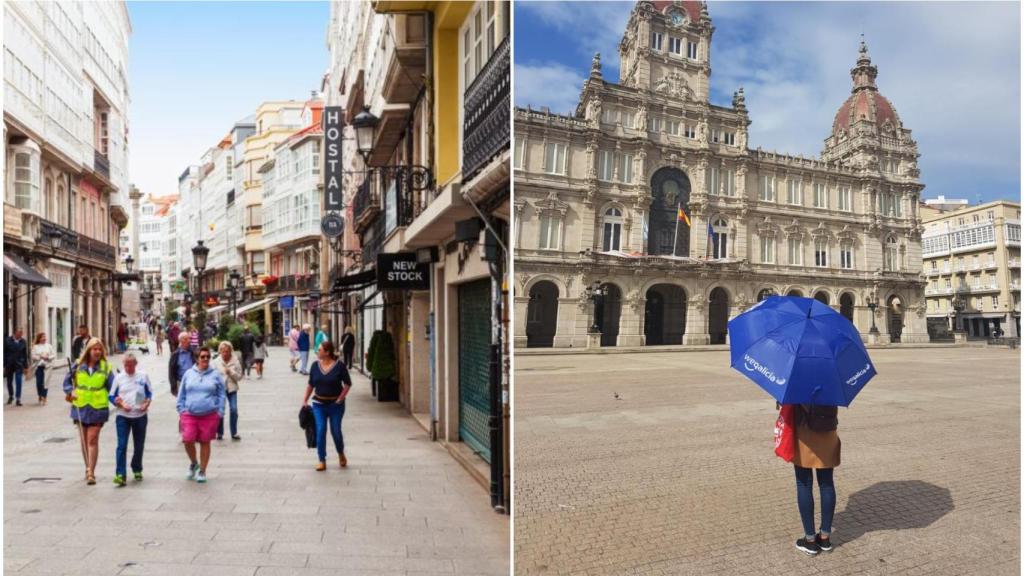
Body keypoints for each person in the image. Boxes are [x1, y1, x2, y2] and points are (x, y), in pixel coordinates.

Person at [790, 403, 841, 556]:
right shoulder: (832, 378)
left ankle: (810, 540)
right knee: (827, 484)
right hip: (828, 430)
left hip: (803, 432)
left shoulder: (797, 379)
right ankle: (825, 537)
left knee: (804, 483)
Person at [62, 338, 114, 485]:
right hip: (81, 406)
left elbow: (113, 387)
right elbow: (66, 383)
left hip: (98, 408)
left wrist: (120, 400)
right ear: (89, 350)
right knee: (84, 441)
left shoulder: (106, 367)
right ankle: (87, 468)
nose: (97, 352)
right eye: (94, 349)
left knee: (92, 439)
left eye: (99, 349)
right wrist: (70, 392)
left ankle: (91, 471)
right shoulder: (78, 365)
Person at [176, 347, 226, 484]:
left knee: (205, 441)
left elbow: (222, 394)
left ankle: (202, 471)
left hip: (209, 414)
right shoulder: (188, 374)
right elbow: (182, 393)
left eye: (208, 357)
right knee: (187, 439)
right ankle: (194, 463)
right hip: (189, 413)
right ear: (197, 358)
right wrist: (181, 409)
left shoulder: (215, 374)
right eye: (202, 356)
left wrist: (220, 411)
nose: (205, 359)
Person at [301, 340, 352, 471]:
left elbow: (347, 384)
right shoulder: (314, 366)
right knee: (321, 430)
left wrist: (341, 398)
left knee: (336, 432)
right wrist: (305, 400)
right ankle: (322, 460)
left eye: (320, 350)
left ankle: (340, 453)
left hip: (336, 405)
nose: (317, 352)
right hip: (319, 405)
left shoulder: (339, 366)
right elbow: (311, 384)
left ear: (327, 352)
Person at [109, 353, 152, 486]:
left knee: (139, 445)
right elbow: (111, 396)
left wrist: (146, 403)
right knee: (122, 445)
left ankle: (137, 467)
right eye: (125, 365)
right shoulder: (119, 378)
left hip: (139, 415)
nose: (128, 368)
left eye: (130, 365)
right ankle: (120, 474)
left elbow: (149, 393)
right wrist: (120, 403)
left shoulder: (143, 376)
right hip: (123, 416)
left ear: (135, 364)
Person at [211, 341, 242, 441]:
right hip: (220, 389)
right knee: (221, 410)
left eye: (227, 351)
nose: (225, 353)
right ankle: (219, 432)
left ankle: (234, 432)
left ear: (230, 351)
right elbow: (212, 376)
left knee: (234, 409)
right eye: (223, 351)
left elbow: (239, 377)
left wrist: (230, 372)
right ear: (220, 351)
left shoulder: (235, 361)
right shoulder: (215, 362)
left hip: (232, 388)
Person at [5, 328, 29, 406]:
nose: (21, 334)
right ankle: (11, 396)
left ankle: (18, 398)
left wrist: (26, 366)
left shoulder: (23, 341)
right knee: (9, 381)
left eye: (22, 333)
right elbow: (4, 353)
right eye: (19, 333)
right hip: (9, 364)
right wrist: (4, 364)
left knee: (19, 382)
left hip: (19, 364)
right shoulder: (7, 340)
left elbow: (25, 354)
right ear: (15, 333)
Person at [30, 332, 55, 405]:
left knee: (45, 382)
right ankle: (40, 395)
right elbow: (33, 356)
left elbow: (53, 354)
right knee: (39, 383)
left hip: (47, 366)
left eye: (45, 337)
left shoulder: (49, 346)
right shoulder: (35, 347)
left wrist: (48, 357)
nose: (44, 338)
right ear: (39, 338)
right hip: (39, 367)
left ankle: (44, 397)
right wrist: (40, 356)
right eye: (42, 337)